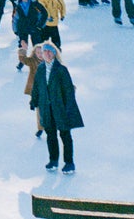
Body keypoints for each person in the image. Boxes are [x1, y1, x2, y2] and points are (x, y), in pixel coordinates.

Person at [27, 42, 82, 173]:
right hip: (46, 108)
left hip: (60, 108)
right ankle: (53, 161)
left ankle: (69, 163)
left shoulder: (61, 69)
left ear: (55, 53)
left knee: (65, 135)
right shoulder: (41, 69)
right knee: (51, 135)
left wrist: (67, 107)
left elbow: (69, 91)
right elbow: (37, 87)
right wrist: (34, 101)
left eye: (50, 51)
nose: (47, 53)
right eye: (45, 51)